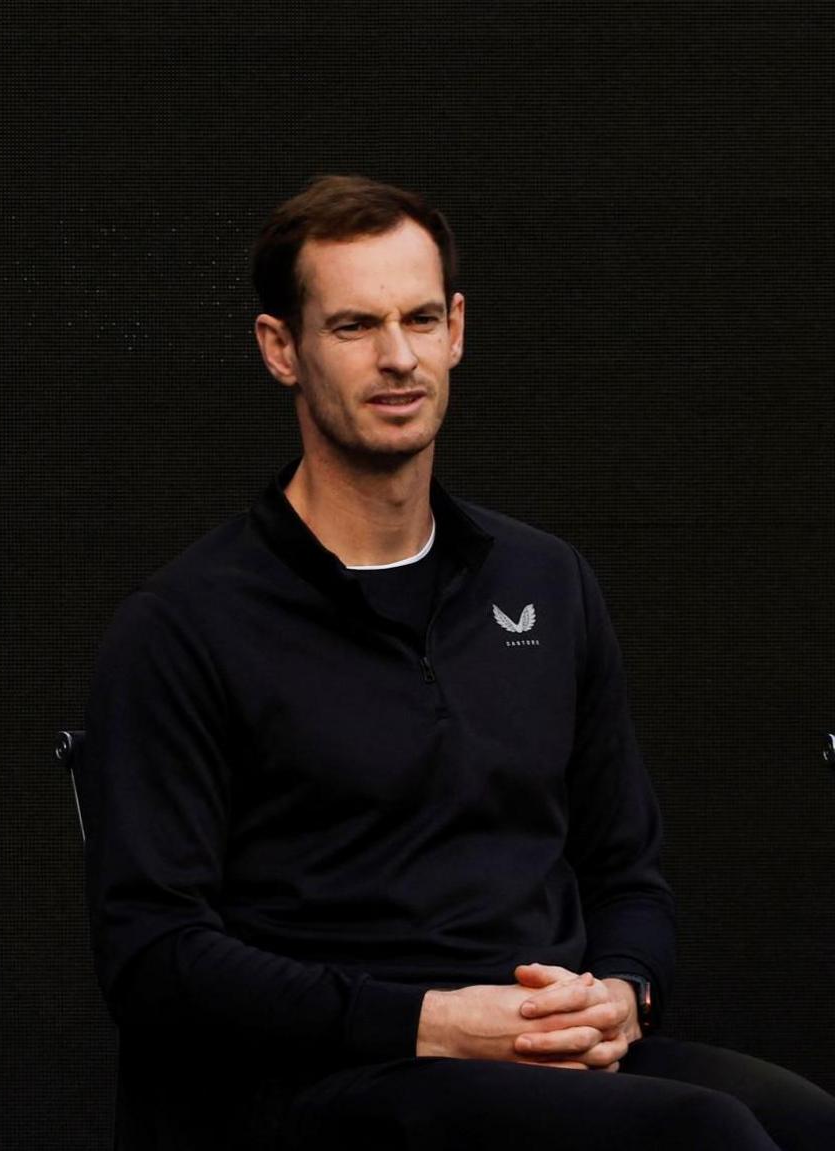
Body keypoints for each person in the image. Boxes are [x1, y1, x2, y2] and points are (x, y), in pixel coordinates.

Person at [82, 175, 835, 1150]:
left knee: (806, 1125)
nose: (397, 357)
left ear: (457, 329)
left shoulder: (544, 580)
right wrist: (429, 1020)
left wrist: (619, 990)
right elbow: (152, 956)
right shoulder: (183, 623)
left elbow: (626, 868)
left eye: (419, 318)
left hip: (542, 1052)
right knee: (699, 1136)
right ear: (281, 349)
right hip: (330, 1078)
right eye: (353, 326)